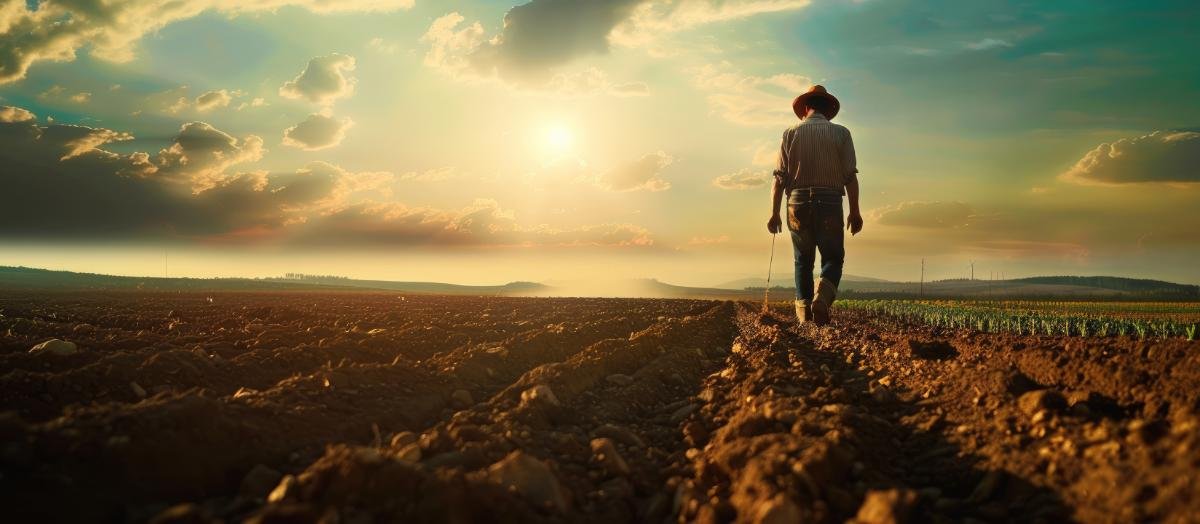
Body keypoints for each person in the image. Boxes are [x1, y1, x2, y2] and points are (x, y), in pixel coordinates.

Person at [766, 85, 863, 326]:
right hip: (830, 201)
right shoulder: (842, 133)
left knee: (803, 260)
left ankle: (804, 316)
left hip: (796, 203)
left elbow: (779, 179)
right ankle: (821, 299)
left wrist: (774, 213)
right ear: (827, 109)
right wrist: (855, 211)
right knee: (832, 258)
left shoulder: (789, 134)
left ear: (806, 107)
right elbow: (850, 176)